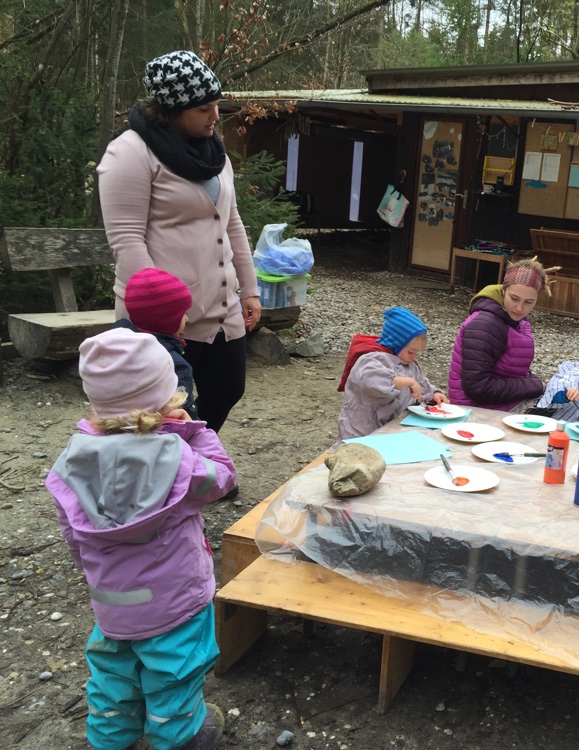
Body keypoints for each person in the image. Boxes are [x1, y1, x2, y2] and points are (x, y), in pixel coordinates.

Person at [45, 328, 237, 750]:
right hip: (176, 599)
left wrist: (97, 571)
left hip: (111, 601)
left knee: (113, 676)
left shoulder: (68, 463)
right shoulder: (180, 461)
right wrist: (196, 433)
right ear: (166, 399)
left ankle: (110, 739)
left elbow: (71, 534)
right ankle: (183, 737)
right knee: (175, 672)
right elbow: (223, 477)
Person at [97, 49, 261, 435]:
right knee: (167, 404)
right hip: (165, 316)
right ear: (170, 109)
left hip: (222, 308)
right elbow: (126, 239)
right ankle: (176, 471)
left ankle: (191, 457)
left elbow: (231, 222)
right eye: (204, 109)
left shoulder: (216, 155)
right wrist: (161, 311)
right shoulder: (131, 153)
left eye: (216, 105)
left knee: (226, 389)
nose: (215, 116)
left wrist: (249, 290)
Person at [447, 257, 557, 411]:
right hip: (475, 410)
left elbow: (512, 369)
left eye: (528, 302)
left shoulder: (515, 319)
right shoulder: (484, 325)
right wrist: (536, 385)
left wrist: (539, 384)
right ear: (503, 290)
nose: (519, 308)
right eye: (514, 298)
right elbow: (477, 388)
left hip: (499, 403)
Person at [337, 306, 449, 440]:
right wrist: (408, 382)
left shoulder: (409, 363)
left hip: (391, 429)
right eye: (411, 352)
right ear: (395, 343)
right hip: (361, 431)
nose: (414, 357)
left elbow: (420, 384)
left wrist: (434, 394)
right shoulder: (372, 359)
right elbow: (372, 382)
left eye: (417, 353)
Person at [112, 267, 199, 419]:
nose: (187, 319)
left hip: (120, 424)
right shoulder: (172, 362)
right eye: (183, 314)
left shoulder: (117, 344)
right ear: (167, 320)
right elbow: (182, 410)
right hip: (162, 434)